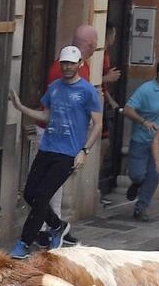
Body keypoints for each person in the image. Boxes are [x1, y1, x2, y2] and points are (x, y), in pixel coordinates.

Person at [8, 46, 101, 255]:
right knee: (30, 193)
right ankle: (57, 226)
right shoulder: (54, 88)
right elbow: (46, 116)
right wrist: (22, 108)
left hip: (69, 153)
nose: (67, 67)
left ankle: (24, 242)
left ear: (80, 64)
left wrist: (84, 151)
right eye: (64, 63)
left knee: (42, 195)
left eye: (71, 63)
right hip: (48, 147)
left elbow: (97, 124)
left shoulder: (88, 92)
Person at [122, 57, 159, 221]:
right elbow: (128, 109)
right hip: (142, 139)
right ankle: (136, 183)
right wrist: (143, 121)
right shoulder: (145, 90)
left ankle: (141, 208)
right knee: (138, 174)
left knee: (155, 175)